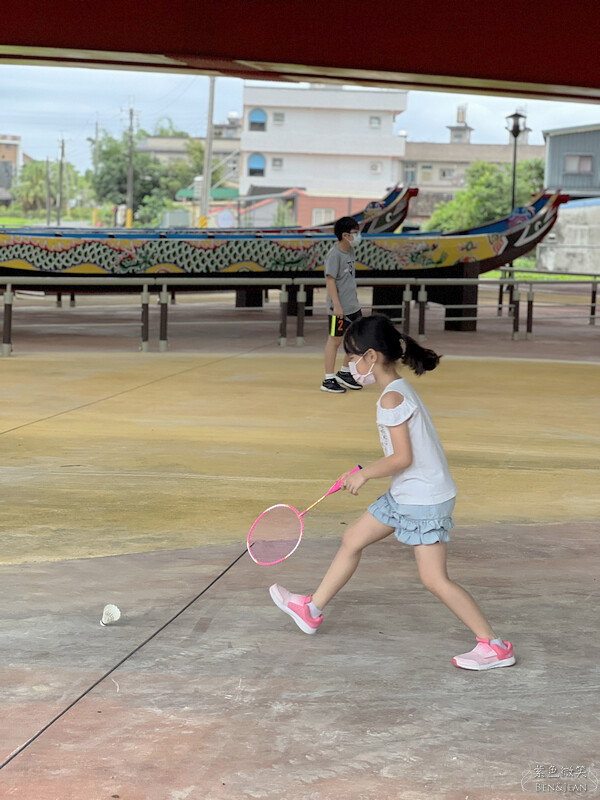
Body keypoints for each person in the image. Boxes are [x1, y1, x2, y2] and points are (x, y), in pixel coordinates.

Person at [270, 314, 516, 671]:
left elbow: (402, 457)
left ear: (371, 356)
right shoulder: (397, 390)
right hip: (407, 493)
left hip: (424, 499)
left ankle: (494, 646)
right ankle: (311, 609)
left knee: (434, 579)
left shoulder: (391, 399)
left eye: (351, 356)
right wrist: (359, 472)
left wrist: (364, 475)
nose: (348, 365)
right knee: (353, 538)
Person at [321, 216, 363, 394]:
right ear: (345, 235)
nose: (358, 236)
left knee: (356, 339)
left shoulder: (350, 251)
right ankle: (328, 379)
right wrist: (337, 306)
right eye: (355, 233)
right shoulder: (334, 255)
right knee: (335, 340)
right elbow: (330, 281)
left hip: (353, 305)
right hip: (339, 308)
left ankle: (345, 372)